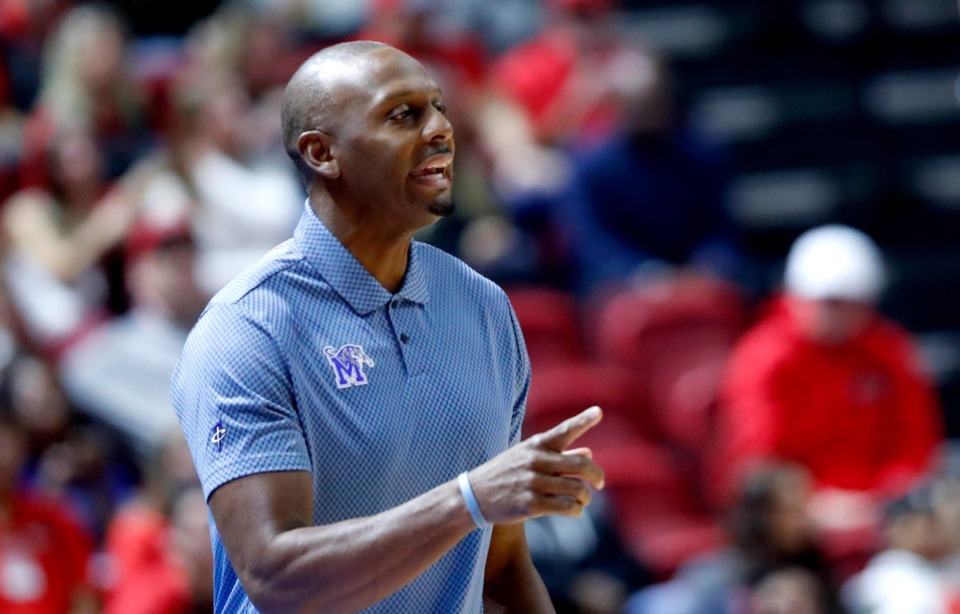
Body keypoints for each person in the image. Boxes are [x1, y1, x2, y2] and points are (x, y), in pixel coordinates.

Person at [171, 40, 605, 613]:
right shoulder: (247, 329)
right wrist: (468, 500)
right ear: (322, 153)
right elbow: (276, 579)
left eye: (439, 107)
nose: (440, 130)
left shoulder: (482, 308)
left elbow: (500, 563)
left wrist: (478, 506)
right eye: (403, 115)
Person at [714, 225, 943, 551]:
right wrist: (812, 504)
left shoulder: (888, 352)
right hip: (797, 529)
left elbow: (916, 443)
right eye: (830, 303)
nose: (843, 315)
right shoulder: (765, 361)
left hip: (889, 519)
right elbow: (757, 462)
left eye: (854, 303)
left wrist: (882, 499)